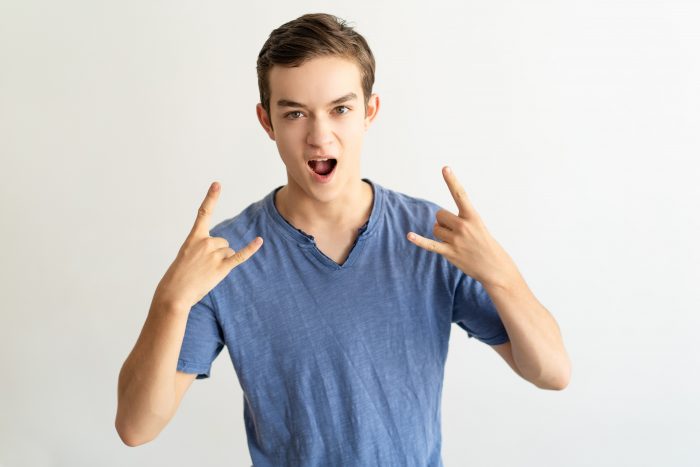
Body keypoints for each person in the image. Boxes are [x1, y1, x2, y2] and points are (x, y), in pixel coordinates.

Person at [115, 12, 571, 466]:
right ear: (267, 122)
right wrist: (170, 302)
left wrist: (501, 274)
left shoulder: (433, 237)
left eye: (341, 109)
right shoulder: (225, 257)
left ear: (369, 112)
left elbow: (552, 372)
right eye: (295, 113)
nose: (319, 135)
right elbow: (137, 427)